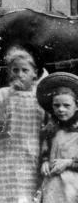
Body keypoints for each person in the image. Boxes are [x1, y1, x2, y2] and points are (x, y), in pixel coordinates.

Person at [0, 46, 45, 203]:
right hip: (5, 159)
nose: (19, 75)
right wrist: (9, 97)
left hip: (31, 159)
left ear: (34, 73)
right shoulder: (1, 94)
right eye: (15, 70)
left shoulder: (41, 96)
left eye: (25, 70)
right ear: (9, 73)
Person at [36, 71, 78, 203]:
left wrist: (69, 162)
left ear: (76, 106)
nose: (61, 109)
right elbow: (44, 151)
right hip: (53, 186)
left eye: (66, 105)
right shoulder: (50, 130)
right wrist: (44, 162)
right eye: (57, 105)